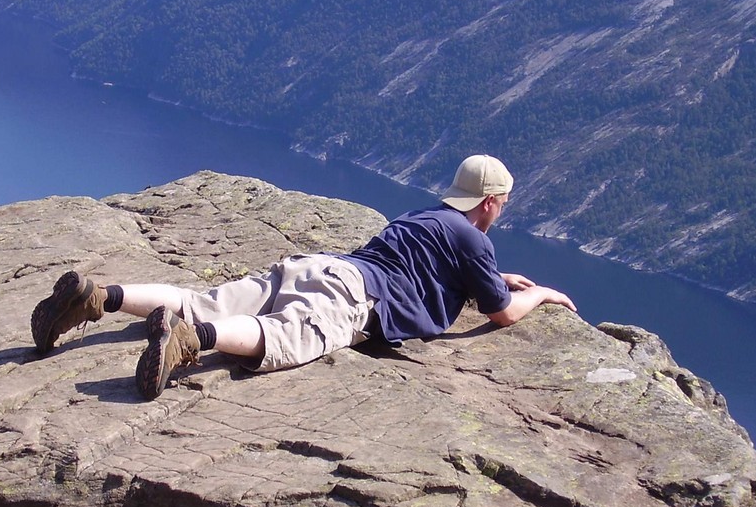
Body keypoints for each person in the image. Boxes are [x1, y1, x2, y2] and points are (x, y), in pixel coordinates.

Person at [31, 155, 577, 399]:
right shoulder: (474, 237)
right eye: (502, 203)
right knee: (283, 338)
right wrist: (546, 293)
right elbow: (501, 313)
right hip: (356, 296)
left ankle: (100, 297)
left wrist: (494, 274)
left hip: (320, 265)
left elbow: (445, 266)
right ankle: (189, 343)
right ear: (490, 202)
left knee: (200, 298)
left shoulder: (423, 218)